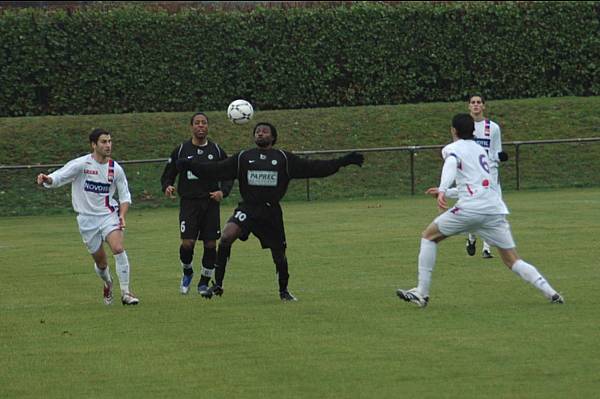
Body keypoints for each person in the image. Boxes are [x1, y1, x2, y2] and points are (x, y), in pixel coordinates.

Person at [176, 122, 364, 301]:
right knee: (226, 237)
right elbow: (216, 170)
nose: (260, 133)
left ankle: (284, 291)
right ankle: (217, 285)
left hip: (270, 212)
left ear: (273, 137)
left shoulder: (283, 158)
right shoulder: (243, 157)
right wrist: (191, 165)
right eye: (258, 131)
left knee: (279, 254)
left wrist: (344, 161)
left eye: (265, 131)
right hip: (248, 208)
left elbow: (315, 167)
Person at [397, 114, 563, 308]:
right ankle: (551, 292)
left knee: (428, 237)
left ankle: (421, 293)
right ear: (473, 131)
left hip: (470, 209)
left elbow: (451, 164)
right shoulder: (480, 151)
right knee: (512, 260)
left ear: (453, 131)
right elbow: (477, 183)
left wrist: (442, 190)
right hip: (493, 209)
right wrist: (448, 192)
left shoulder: (452, 149)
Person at [36, 128, 139, 306]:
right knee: (101, 263)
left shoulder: (116, 169)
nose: (108, 145)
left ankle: (126, 293)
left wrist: (122, 215)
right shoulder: (82, 164)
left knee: (118, 247)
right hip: (86, 220)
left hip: (108, 215)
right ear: (94, 145)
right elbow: (60, 176)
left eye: (109, 141)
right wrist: (48, 179)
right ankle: (108, 283)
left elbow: (125, 196)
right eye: (103, 142)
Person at [160, 112, 233, 295]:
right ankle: (187, 271)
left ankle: (204, 282)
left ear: (208, 127)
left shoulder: (216, 151)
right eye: (197, 123)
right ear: (191, 127)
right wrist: (167, 186)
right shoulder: (181, 150)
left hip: (210, 203)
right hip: (189, 203)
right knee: (188, 244)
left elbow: (229, 174)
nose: (201, 126)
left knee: (210, 244)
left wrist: (222, 192)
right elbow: (168, 173)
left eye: (204, 123)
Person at [465, 95, 507, 259]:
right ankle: (471, 236)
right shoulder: (464, 126)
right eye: (473, 103)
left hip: (490, 174)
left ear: (484, 106)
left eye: (479, 103)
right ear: (469, 106)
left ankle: (487, 248)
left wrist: (500, 156)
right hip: (472, 174)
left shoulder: (493, 127)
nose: (476, 105)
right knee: (474, 210)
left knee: (494, 209)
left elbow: (496, 152)